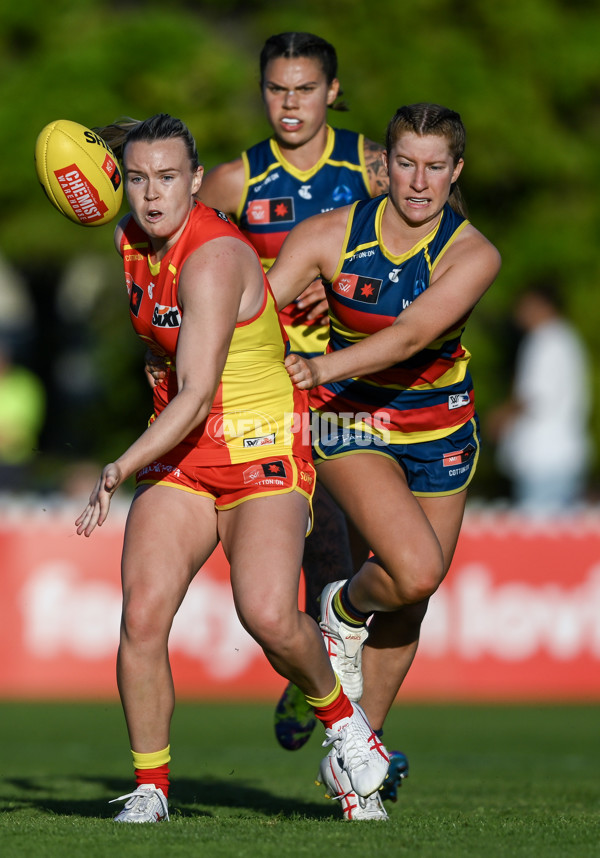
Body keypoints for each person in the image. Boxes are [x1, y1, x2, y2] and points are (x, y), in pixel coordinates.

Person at [75, 113, 389, 823]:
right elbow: (166, 361)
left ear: (195, 181)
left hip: (256, 444)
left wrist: (118, 466)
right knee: (143, 614)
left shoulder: (212, 258)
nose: (152, 195)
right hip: (186, 455)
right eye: (137, 179)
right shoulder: (130, 241)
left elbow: (193, 394)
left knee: (270, 615)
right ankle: (151, 789)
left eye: (167, 178)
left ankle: (345, 725)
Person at [268, 103, 502, 817]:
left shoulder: (475, 254)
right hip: (350, 421)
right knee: (417, 567)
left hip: (441, 432)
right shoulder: (329, 235)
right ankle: (339, 611)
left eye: (436, 166)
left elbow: (411, 335)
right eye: (406, 163)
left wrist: (321, 359)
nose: (419, 181)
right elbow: (253, 312)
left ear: (456, 171)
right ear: (385, 165)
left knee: (408, 602)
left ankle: (354, 757)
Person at [194, 30, 394, 764]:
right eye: (278, 88)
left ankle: (339, 695)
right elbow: (201, 277)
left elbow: (424, 249)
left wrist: (335, 280)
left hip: (362, 383)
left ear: (332, 92)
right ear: (262, 91)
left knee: (379, 563)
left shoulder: (374, 166)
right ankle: (344, 715)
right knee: (326, 538)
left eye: (305, 88)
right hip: (274, 395)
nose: (290, 103)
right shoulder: (233, 181)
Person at [488, 283, 592, 515]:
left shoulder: (546, 340)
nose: (519, 314)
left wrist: (500, 417)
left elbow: (533, 395)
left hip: (547, 458)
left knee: (540, 538)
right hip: (562, 454)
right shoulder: (564, 338)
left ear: (541, 305)